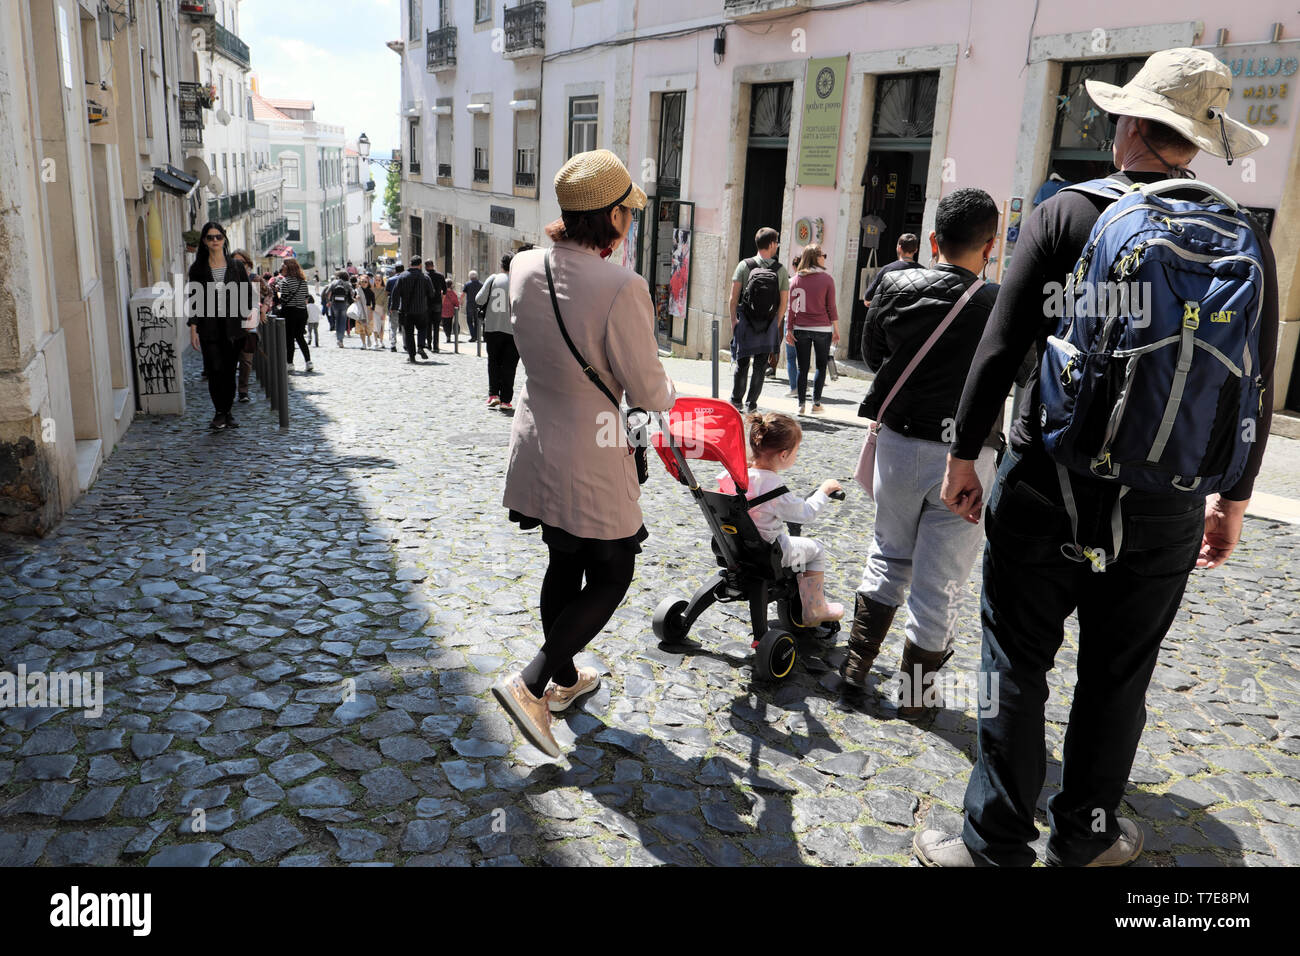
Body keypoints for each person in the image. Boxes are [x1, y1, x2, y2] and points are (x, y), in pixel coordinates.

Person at [917, 48, 1278, 868]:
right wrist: (1235, 501)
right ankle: (1086, 835)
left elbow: (1001, 347)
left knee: (1016, 659)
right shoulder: (1239, 233)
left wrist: (964, 456)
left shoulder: (1065, 213)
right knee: (1119, 676)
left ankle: (996, 842)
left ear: (1127, 125)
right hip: (1168, 501)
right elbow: (1252, 386)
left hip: (1049, 484)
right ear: (1197, 140)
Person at [495, 148, 675, 758]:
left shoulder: (523, 265)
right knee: (614, 570)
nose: (631, 221)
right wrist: (666, 386)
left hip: (538, 439)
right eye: (628, 211)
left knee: (563, 560)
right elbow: (649, 391)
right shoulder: (622, 285)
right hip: (594, 453)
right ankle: (531, 682)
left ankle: (566, 680)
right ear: (613, 216)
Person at [840, 188, 1004, 717]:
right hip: (966, 457)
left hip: (897, 444)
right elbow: (1020, 373)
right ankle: (915, 701)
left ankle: (853, 671)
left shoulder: (892, 282)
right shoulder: (997, 302)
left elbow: (872, 356)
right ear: (991, 245)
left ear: (933, 240)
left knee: (887, 555)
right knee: (942, 582)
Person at [722, 413, 844, 625]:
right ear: (784, 455)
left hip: (732, 548)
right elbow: (805, 513)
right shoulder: (773, 488)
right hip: (766, 553)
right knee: (816, 549)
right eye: (797, 451)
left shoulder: (732, 476)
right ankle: (815, 609)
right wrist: (824, 490)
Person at [186, 221, 255, 430]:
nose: (214, 240)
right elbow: (194, 299)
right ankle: (219, 412)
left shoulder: (235, 266)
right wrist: (193, 329)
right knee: (215, 370)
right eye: (210, 237)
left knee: (228, 371)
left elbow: (246, 293)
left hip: (233, 326)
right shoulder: (198, 268)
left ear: (224, 239)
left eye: (218, 236)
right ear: (204, 241)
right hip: (209, 326)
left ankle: (227, 412)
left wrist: (246, 318)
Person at [728, 227, 788, 413]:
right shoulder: (780, 270)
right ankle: (751, 404)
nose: (777, 245)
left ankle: (736, 401)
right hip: (768, 324)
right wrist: (776, 323)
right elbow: (783, 302)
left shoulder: (744, 265)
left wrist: (733, 321)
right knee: (761, 365)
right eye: (776, 242)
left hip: (746, 321)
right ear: (770, 244)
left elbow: (733, 297)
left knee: (742, 362)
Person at [785, 243, 840, 415]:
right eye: (823, 255)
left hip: (800, 328)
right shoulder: (827, 279)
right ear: (817, 257)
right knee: (820, 366)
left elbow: (791, 308)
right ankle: (816, 404)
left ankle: (801, 405)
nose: (824, 257)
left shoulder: (795, 280)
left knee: (802, 368)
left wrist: (789, 330)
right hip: (823, 329)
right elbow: (831, 307)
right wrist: (836, 329)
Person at [478, 254, 518, 409]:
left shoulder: (494, 278)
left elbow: (479, 299)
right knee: (510, 365)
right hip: (514, 330)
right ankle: (506, 400)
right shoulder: (518, 280)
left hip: (493, 328)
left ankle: (493, 394)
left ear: (502, 265)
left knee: (493, 362)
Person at [861, 233, 922, 312]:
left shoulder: (887, 269)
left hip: (890, 317)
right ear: (916, 250)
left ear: (899, 248)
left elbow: (868, 296)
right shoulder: (923, 271)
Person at [390, 257, 433, 363]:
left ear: (410, 264)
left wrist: (393, 307)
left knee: (408, 333)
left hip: (406, 310)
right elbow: (431, 293)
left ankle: (412, 356)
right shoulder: (425, 277)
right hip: (421, 309)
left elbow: (395, 293)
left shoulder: (402, 276)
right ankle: (421, 346)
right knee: (422, 328)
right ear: (420, 265)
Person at [277, 257, 313, 371]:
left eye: (283, 266)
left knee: (289, 338)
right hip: (302, 311)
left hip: (290, 311)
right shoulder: (303, 282)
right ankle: (308, 361)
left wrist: (278, 294)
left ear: (287, 268)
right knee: (300, 337)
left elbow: (283, 299)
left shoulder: (285, 281)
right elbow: (306, 297)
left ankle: (290, 363)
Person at [783, 256, 801, 398]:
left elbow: (787, 306)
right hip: (806, 324)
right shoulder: (810, 283)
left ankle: (794, 387)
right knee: (802, 358)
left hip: (791, 323)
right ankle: (802, 386)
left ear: (794, 267)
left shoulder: (790, 282)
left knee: (790, 357)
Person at [324, 271, 354, 347]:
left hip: (335, 303)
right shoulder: (348, 283)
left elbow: (327, 292)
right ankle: (341, 339)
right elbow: (352, 293)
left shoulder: (334, 282)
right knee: (343, 321)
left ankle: (338, 338)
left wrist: (328, 301)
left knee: (337, 320)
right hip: (345, 304)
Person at [424, 260, 447, 353]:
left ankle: (429, 344)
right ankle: (436, 346)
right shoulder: (440, 276)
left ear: (426, 267)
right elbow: (445, 291)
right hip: (437, 303)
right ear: (433, 266)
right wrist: (441, 301)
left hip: (427, 304)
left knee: (428, 325)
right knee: (436, 326)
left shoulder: (424, 276)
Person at [355, 274, 376, 350]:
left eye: (365, 282)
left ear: (368, 282)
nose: (363, 283)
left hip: (368, 310)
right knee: (361, 328)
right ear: (359, 282)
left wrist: (371, 311)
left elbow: (374, 303)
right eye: (362, 281)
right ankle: (363, 344)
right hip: (360, 310)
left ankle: (368, 337)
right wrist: (356, 298)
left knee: (367, 327)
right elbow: (352, 300)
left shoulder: (370, 292)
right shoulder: (357, 291)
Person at [385, 264, 403, 352]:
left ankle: (393, 344)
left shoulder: (390, 280)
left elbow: (386, 293)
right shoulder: (405, 279)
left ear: (395, 271)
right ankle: (406, 344)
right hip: (404, 306)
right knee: (404, 326)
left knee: (393, 326)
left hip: (393, 306)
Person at [463, 270, 484, 342]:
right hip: (478, 305)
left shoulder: (467, 284)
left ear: (470, 277)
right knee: (477, 321)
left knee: (469, 321)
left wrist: (460, 302)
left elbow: (463, 294)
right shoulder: (481, 284)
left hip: (470, 305)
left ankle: (473, 336)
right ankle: (476, 336)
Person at [372, 267, 389, 345]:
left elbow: (386, 302)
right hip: (374, 309)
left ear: (381, 281)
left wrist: (384, 312)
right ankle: (376, 341)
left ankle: (381, 341)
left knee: (382, 326)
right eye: (376, 280)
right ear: (374, 280)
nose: (377, 282)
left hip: (382, 309)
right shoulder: (371, 289)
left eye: (379, 280)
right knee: (375, 326)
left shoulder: (384, 290)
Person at [441, 277, 460, 343]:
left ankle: (447, 335)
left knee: (444, 324)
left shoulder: (442, 293)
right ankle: (448, 335)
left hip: (443, 311)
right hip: (451, 311)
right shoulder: (453, 293)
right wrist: (457, 308)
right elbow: (456, 303)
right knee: (449, 323)